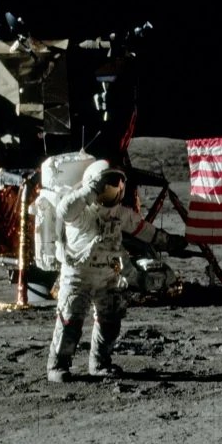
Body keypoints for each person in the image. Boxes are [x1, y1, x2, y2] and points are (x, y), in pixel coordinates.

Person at [46, 159, 186, 381]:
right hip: (78, 276)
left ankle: (100, 363)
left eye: (118, 188)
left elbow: (145, 230)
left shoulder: (120, 213)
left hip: (110, 271)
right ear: (94, 187)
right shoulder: (82, 212)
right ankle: (58, 366)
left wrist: (169, 242)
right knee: (70, 320)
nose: (114, 193)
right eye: (108, 187)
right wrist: (87, 193)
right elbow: (65, 211)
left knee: (110, 319)